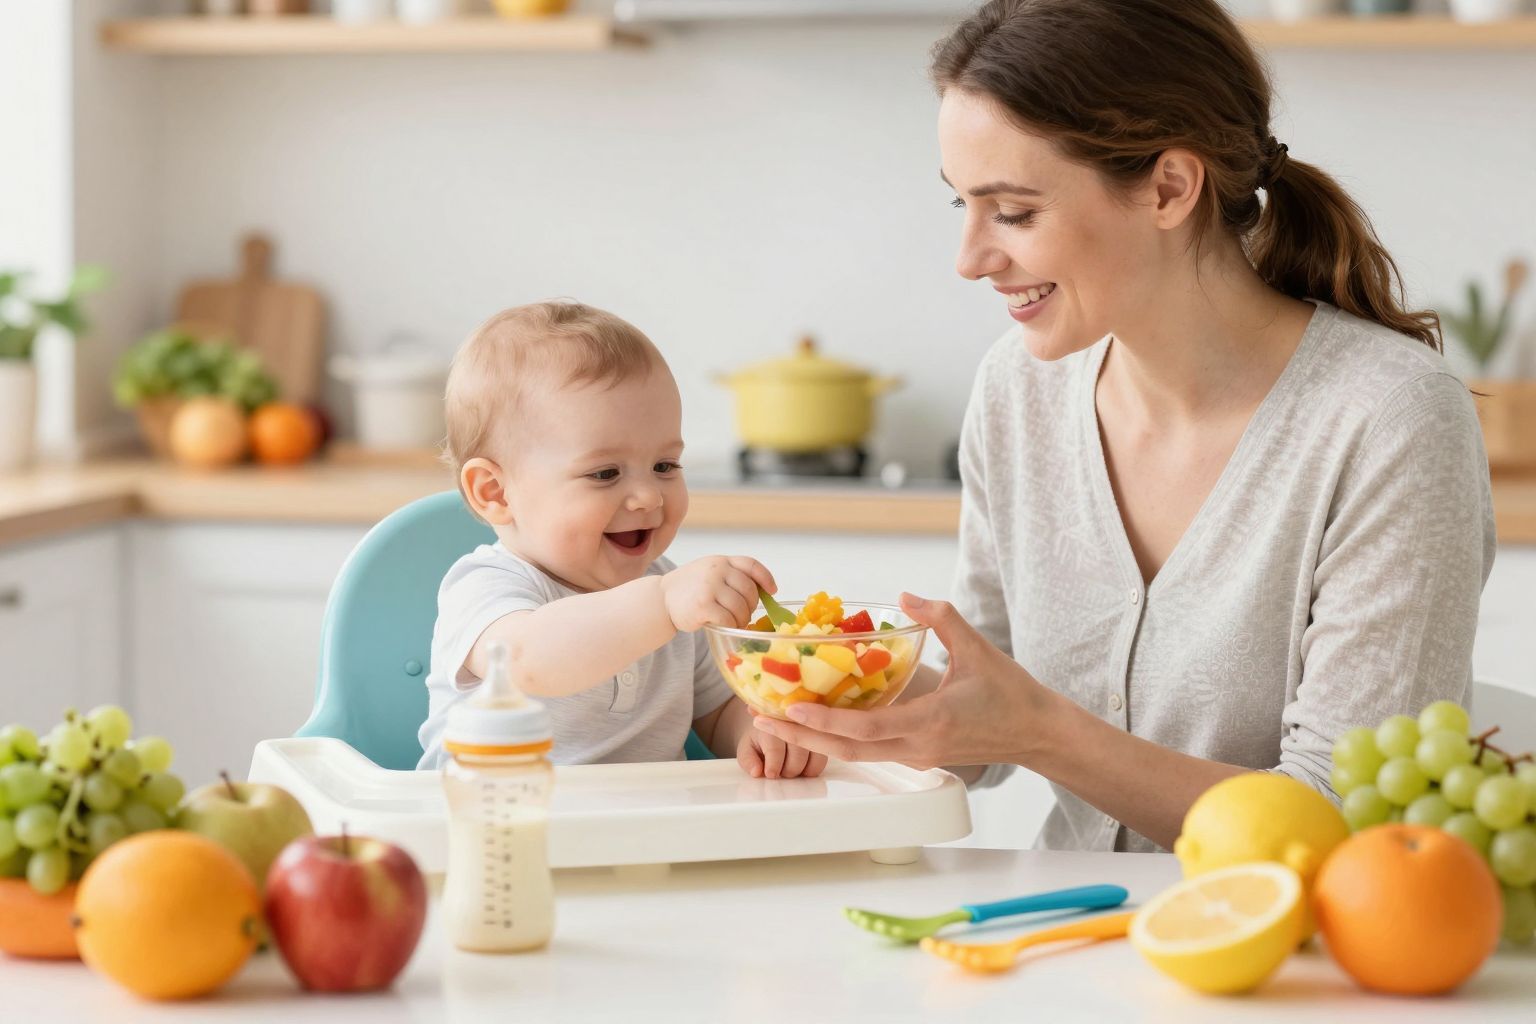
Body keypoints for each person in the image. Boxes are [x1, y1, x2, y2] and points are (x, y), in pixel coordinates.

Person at [754, 0, 1494, 852]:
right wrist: (826, 695)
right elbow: (986, 701)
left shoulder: (1387, 420)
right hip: (1056, 937)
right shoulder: (1016, 391)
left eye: (1015, 212)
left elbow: (1343, 821)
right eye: (961, 204)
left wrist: (1039, 731)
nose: (969, 258)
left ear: (1170, 188)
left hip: (1282, 963)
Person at [417, 301, 825, 782]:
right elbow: (528, 660)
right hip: (500, 836)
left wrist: (756, 733)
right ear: (495, 492)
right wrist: (662, 605)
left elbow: (714, 714)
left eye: (665, 466)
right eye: (605, 473)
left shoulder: (670, 589)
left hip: (642, 837)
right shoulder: (487, 587)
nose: (649, 495)